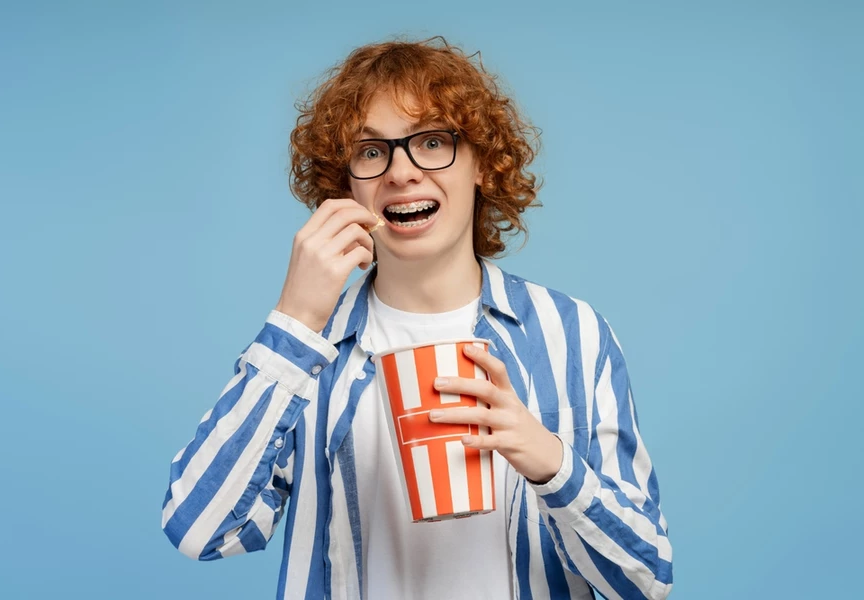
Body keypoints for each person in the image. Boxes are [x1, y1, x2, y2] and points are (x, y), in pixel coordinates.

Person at [162, 37, 672, 600]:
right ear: (346, 184)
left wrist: (549, 462)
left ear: (483, 163)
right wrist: (296, 317)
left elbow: (645, 580)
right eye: (372, 151)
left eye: (433, 142)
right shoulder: (308, 350)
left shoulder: (573, 333)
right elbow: (200, 530)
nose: (402, 172)